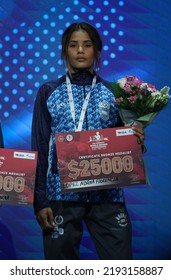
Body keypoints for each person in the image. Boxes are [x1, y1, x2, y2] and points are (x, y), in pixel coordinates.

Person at [31, 22, 145, 260]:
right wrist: (39, 201)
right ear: (64, 51)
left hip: (107, 195)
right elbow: (40, 147)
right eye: (73, 45)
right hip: (61, 195)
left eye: (87, 45)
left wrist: (136, 139)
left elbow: (124, 146)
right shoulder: (48, 91)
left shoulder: (114, 93)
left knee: (120, 268)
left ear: (98, 52)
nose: (80, 50)